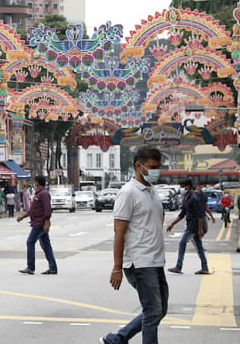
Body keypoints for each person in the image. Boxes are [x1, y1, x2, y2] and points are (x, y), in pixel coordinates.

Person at [100, 147, 167, 344]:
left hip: (155, 261)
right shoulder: (128, 193)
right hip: (139, 263)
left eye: (158, 167)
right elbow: (119, 232)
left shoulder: (152, 191)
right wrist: (117, 267)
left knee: (159, 310)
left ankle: (117, 339)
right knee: (153, 312)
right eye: (152, 167)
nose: (156, 171)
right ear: (139, 166)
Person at [166, 180, 209, 275]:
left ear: (188, 186)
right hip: (191, 224)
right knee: (199, 247)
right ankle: (205, 267)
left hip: (194, 226)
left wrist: (200, 228)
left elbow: (200, 214)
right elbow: (182, 214)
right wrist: (172, 224)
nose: (181, 189)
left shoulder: (194, 198)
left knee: (182, 243)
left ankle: (178, 266)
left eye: (183, 186)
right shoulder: (186, 198)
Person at [17, 175, 58, 275]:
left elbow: (47, 209)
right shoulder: (38, 193)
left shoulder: (44, 194)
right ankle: (53, 268)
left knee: (30, 242)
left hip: (40, 223)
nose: (34, 184)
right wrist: (22, 216)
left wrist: (47, 222)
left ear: (38, 182)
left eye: (35, 182)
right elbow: (32, 210)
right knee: (46, 246)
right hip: (37, 222)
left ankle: (30, 267)